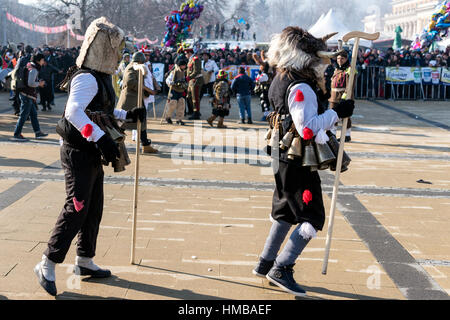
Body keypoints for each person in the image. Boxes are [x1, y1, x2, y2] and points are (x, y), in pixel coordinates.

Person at [34, 17, 146, 297]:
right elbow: (74, 113)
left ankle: (84, 260)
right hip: (77, 151)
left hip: (91, 151)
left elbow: (102, 110)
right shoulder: (85, 77)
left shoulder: (102, 78)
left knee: (94, 207)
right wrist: (101, 137)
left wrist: (128, 115)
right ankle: (47, 262)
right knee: (77, 207)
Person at [252, 27, 354, 297]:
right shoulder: (300, 86)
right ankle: (281, 268)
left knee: (285, 210)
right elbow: (307, 128)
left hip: (281, 154)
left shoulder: (281, 76)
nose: (322, 66)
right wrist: (336, 112)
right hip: (296, 159)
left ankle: (265, 262)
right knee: (312, 216)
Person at [117, 51, 158, 154]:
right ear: (139, 61)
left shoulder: (136, 67)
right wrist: (146, 89)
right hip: (129, 100)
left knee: (141, 121)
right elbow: (130, 82)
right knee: (123, 123)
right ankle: (115, 143)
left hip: (136, 99)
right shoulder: (131, 67)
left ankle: (145, 145)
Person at [13, 53, 48, 142]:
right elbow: (30, 83)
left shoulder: (30, 65)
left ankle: (38, 132)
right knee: (23, 116)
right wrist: (39, 84)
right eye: (43, 60)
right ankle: (17, 134)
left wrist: (37, 81)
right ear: (38, 60)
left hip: (27, 95)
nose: (43, 62)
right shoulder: (34, 69)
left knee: (33, 115)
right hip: (27, 95)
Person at [328, 50, 353, 142]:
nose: (339, 60)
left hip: (343, 96)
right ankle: (332, 133)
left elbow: (350, 85)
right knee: (333, 116)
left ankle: (347, 135)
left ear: (346, 59)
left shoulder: (349, 69)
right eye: (338, 58)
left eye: (342, 58)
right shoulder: (337, 69)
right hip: (334, 96)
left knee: (345, 116)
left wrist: (345, 97)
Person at [165, 54, 188, 125]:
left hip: (181, 90)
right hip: (174, 90)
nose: (184, 66)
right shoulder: (174, 72)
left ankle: (179, 119)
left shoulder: (184, 72)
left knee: (181, 105)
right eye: (183, 65)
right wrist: (170, 82)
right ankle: (168, 117)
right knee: (172, 104)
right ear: (180, 65)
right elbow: (167, 79)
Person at [185, 48, 204, 120]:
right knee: (189, 96)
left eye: (186, 53)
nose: (185, 55)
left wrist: (188, 77)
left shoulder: (195, 59)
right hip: (191, 81)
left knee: (195, 97)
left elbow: (197, 71)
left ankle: (196, 113)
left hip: (196, 80)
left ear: (189, 53)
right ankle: (193, 110)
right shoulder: (191, 59)